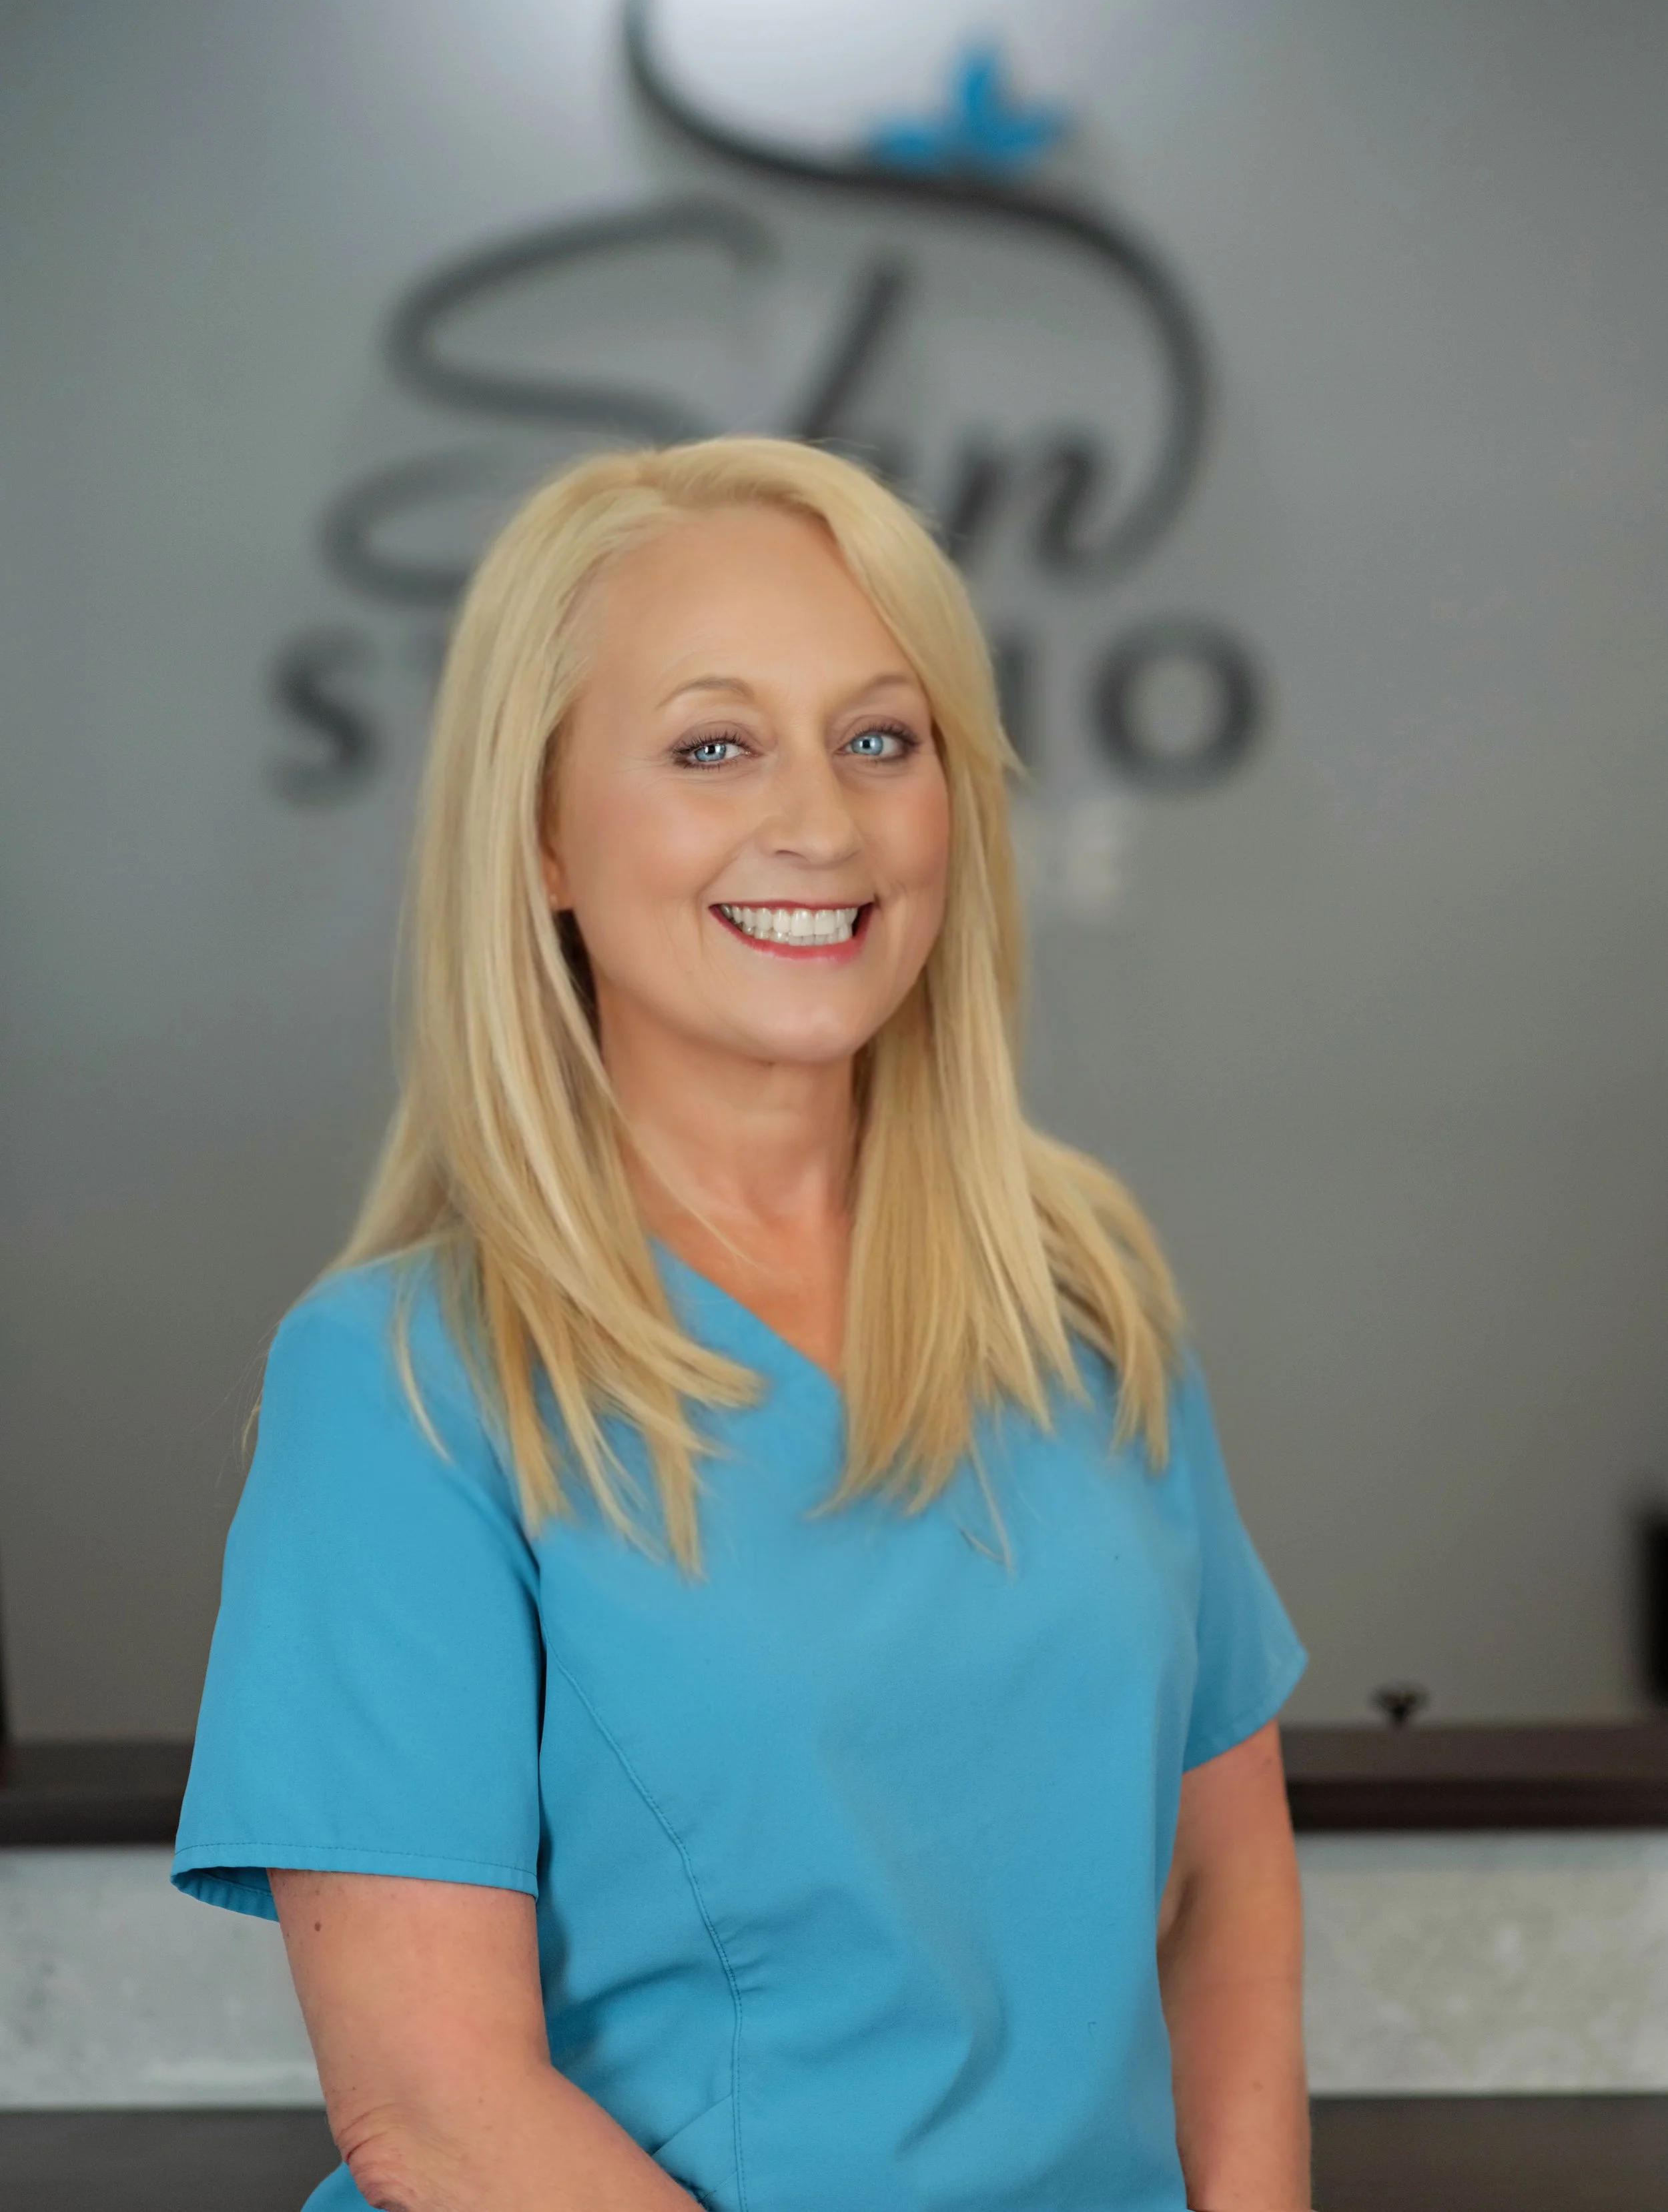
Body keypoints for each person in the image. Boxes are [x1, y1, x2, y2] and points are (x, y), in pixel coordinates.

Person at [173, 436, 1310, 2212]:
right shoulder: (399, 1382)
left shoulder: (1082, 1299)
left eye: (882, 736)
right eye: (713, 744)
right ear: (544, 831)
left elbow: (1230, 1892)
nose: (820, 819)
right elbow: (433, 2111)